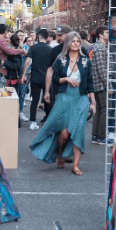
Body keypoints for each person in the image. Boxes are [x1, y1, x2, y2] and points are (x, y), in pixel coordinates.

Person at [29, 31, 96, 175]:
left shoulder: (85, 61)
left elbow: (90, 81)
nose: (76, 44)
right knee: (64, 134)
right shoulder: (61, 60)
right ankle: (60, 154)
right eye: (73, 41)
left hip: (81, 98)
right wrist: (66, 79)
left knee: (78, 131)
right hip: (64, 97)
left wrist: (93, 102)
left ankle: (75, 166)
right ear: (68, 43)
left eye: (78, 41)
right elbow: (54, 78)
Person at [26, 29, 55, 129]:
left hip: (35, 77)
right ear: (47, 38)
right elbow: (53, 66)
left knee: (35, 100)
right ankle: (48, 119)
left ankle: (33, 121)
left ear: (38, 37)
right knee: (48, 99)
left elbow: (27, 61)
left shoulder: (33, 48)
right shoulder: (51, 49)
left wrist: (23, 74)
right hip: (47, 78)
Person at [89, 27, 110, 143]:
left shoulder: (97, 47)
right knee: (104, 110)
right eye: (106, 32)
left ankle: (95, 135)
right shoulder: (101, 48)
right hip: (101, 84)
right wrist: (108, 85)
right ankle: (101, 137)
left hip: (96, 83)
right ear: (101, 35)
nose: (109, 34)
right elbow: (102, 69)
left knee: (98, 110)